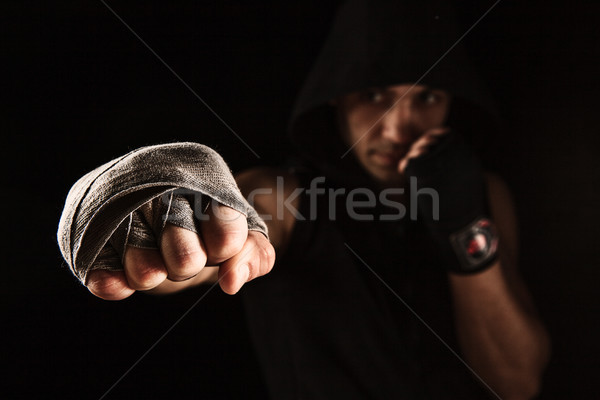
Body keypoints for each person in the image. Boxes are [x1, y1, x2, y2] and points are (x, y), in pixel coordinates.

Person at [58, 1, 550, 398]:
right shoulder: (290, 193)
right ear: (338, 98)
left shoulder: (484, 193)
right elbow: (236, 222)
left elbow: (516, 383)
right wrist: (164, 201)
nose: (400, 126)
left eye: (425, 97)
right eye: (376, 95)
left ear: (450, 103)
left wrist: (463, 224)